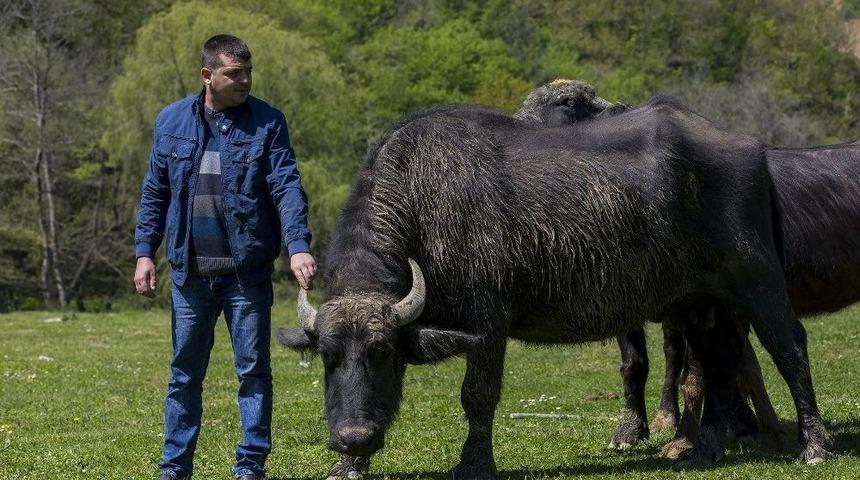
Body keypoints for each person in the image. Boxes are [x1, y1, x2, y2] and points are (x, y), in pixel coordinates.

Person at [133, 34, 316, 480]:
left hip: (245, 276)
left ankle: (250, 467)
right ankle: (174, 468)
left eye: (248, 72)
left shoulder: (268, 123)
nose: (244, 81)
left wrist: (298, 245)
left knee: (253, 373)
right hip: (189, 274)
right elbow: (155, 193)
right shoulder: (171, 121)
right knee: (183, 375)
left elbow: (286, 186)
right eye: (234, 73)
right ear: (207, 75)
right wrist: (144, 253)